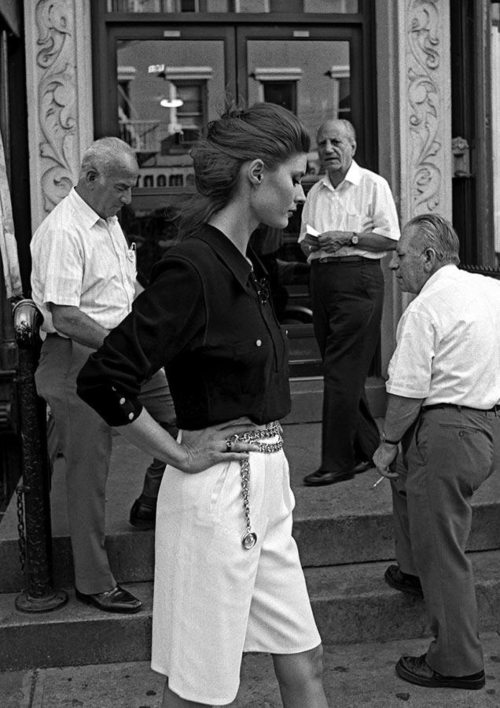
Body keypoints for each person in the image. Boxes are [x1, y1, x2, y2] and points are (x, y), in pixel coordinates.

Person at [76, 103, 328, 707]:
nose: (302, 193)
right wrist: (179, 456)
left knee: (307, 659)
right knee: (200, 689)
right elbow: (105, 378)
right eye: (296, 177)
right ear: (257, 173)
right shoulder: (193, 267)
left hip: (268, 484)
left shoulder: (251, 262)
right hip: (216, 494)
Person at [30, 137, 176, 613]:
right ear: (90, 178)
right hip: (78, 352)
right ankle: (93, 581)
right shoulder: (63, 230)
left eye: (131, 188)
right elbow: (66, 315)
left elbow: (122, 285)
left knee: (182, 417)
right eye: (122, 188)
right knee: (89, 472)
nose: (129, 199)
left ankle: (150, 499)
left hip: (121, 346)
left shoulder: (108, 220)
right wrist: (126, 349)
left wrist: (154, 321)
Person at [373, 214, 500, 691]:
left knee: (443, 548)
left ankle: (457, 663)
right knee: (411, 487)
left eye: (401, 256)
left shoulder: (425, 309)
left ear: (427, 258)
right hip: (485, 424)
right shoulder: (489, 290)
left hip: (448, 431)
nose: (394, 266)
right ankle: (411, 571)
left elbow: (407, 391)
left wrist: (386, 445)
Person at [299, 118, 400, 486]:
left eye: (336, 142)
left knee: (340, 372)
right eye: (322, 143)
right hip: (322, 280)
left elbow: (390, 238)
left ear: (353, 146)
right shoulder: (315, 193)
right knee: (343, 370)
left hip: (359, 281)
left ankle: (336, 460)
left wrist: (348, 238)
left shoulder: (373, 185)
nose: (328, 150)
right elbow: (303, 241)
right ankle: (367, 449)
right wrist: (314, 243)